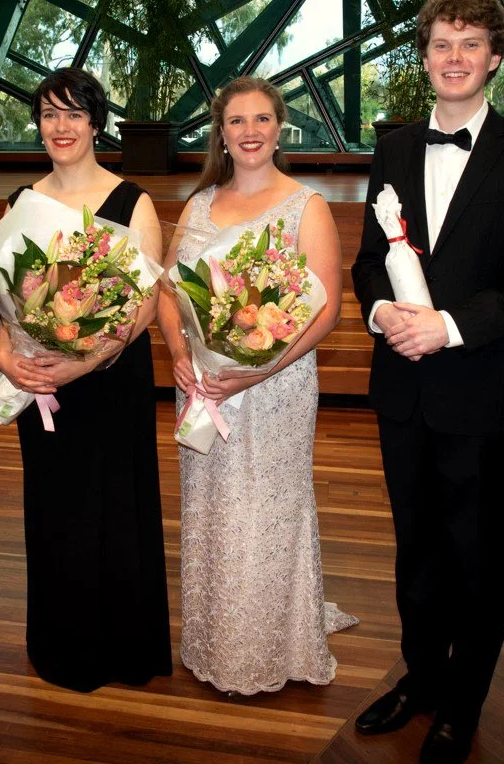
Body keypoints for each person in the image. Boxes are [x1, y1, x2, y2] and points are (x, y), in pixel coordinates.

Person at [350, 0, 504, 763]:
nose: (454, 58)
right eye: (441, 44)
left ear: (496, 57)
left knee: (477, 556)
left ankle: (463, 702)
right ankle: (420, 677)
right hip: (403, 390)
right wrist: (382, 317)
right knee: (416, 548)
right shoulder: (394, 147)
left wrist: (445, 326)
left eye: (469, 45)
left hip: (482, 391)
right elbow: (369, 263)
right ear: (423, 58)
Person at [156, 76, 354, 695]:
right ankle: (216, 635)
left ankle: (273, 640)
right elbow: (168, 290)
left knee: (269, 509)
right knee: (212, 507)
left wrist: (260, 368)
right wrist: (176, 356)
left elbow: (326, 309)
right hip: (206, 384)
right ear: (222, 132)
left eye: (261, 120)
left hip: (277, 385)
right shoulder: (199, 205)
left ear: (279, 128)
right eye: (237, 121)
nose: (249, 132)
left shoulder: (306, 206)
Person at [0, 67, 172, 693]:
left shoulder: (132, 200)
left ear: (96, 122)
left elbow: (144, 305)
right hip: (44, 379)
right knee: (55, 510)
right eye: (48, 114)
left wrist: (85, 361)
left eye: (73, 113)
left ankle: (123, 647)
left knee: (116, 504)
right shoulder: (21, 205)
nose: (60, 127)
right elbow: (5, 303)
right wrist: (5, 357)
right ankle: (60, 642)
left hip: (110, 379)